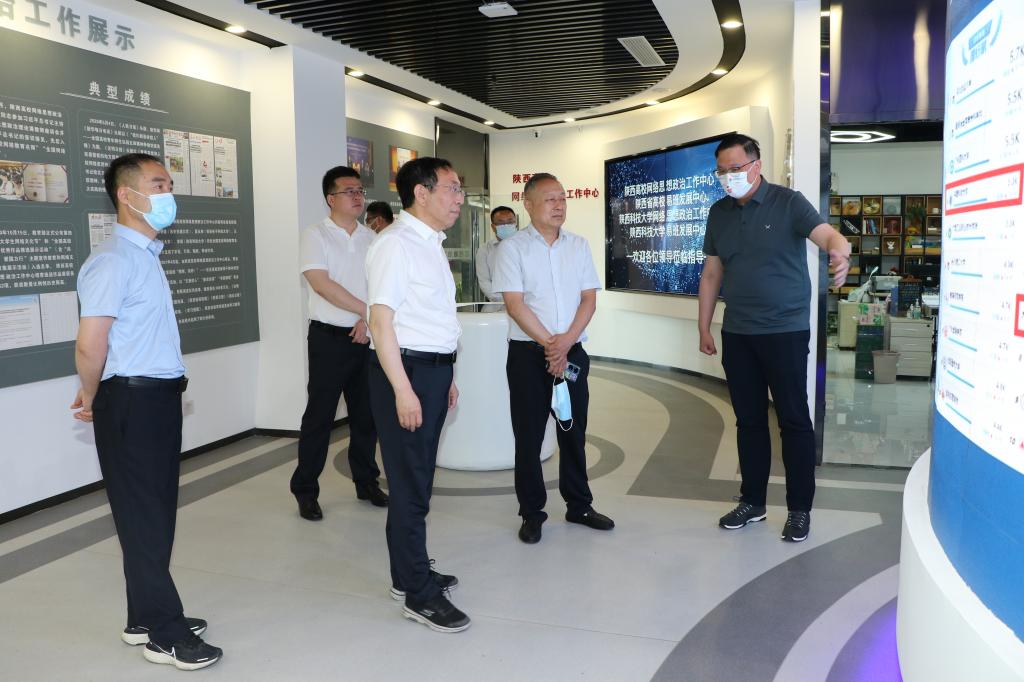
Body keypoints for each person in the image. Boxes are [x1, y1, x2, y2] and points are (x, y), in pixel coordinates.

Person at [71, 153, 222, 670]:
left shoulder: (144, 255)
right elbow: (91, 342)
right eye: (158, 185)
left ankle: (142, 617)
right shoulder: (113, 260)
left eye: (169, 184)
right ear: (126, 194)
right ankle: (166, 633)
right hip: (131, 400)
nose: (168, 194)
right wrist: (91, 394)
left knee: (152, 512)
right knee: (144, 517)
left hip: (153, 399)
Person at [698, 133, 851, 543]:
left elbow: (827, 235)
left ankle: (799, 509)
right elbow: (712, 273)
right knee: (748, 421)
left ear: (756, 165)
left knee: (793, 420)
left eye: (735, 169)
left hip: (785, 331)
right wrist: (704, 326)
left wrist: (841, 250)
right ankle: (753, 502)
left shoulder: (788, 202)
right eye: (721, 171)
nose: (728, 177)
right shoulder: (718, 213)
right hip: (738, 332)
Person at [365, 156, 468, 633]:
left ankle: (407, 574)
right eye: (452, 188)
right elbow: (380, 323)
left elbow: (431, 318)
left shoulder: (429, 243)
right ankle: (418, 595)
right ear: (421, 193)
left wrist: (446, 376)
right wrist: (404, 391)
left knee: (418, 479)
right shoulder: (395, 244)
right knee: (410, 484)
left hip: (429, 371)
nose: (459, 198)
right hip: (404, 373)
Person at [493, 173, 614, 545]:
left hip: (572, 353)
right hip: (528, 357)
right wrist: (551, 345)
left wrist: (566, 344)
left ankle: (579, 505)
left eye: (562, 198)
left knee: (573, 432)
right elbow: (515, 305)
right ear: (528, 204)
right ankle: (532, 513)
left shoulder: (578, 245)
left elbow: (589, 299)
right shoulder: (512, 249)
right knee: (528, 437)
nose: (559, 205)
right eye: (550, 199)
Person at [290, 166, 386, 521]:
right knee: (320, 416)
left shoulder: (372, 238)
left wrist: (367, 321)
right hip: (329, 339)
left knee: (366, 416)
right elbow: (321, 283)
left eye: (360, 190)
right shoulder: (315, 235)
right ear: (331, 198)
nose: (358, 196)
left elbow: (380, 286)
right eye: (349, 191)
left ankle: (366, 481)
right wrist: (365, 311)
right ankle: (305, 490)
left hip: (366, 337)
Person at [476, 205, 517, 303]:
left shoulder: (526, 247)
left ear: (515, 223)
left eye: (510, 222)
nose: (506, 225)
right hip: (497, 305)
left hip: (526, 303)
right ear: (493, 227)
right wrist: (503, 300)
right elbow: (484, 281)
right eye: (501, 223)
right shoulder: (485, 250)